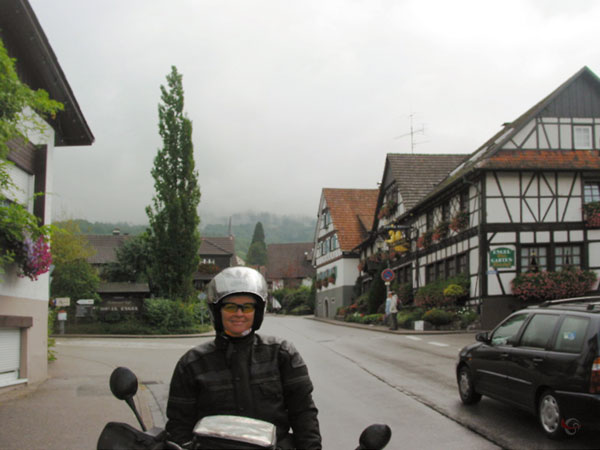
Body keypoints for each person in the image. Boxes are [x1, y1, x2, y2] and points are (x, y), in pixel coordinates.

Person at [165, 266, 322, 449]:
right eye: (230, 306)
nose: (239, 314)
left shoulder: (282, 355)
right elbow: (179, 425)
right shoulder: (192, 364)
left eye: (247, 307)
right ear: (217, 311)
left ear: (257, 312)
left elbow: (304, 415)